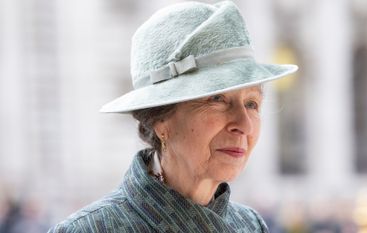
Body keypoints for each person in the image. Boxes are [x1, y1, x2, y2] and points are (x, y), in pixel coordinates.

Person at [48, 1, 297, 232]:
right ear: (160, 120)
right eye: (217, 99)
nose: (244, 124)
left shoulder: (251, 225)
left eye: (252, 103)